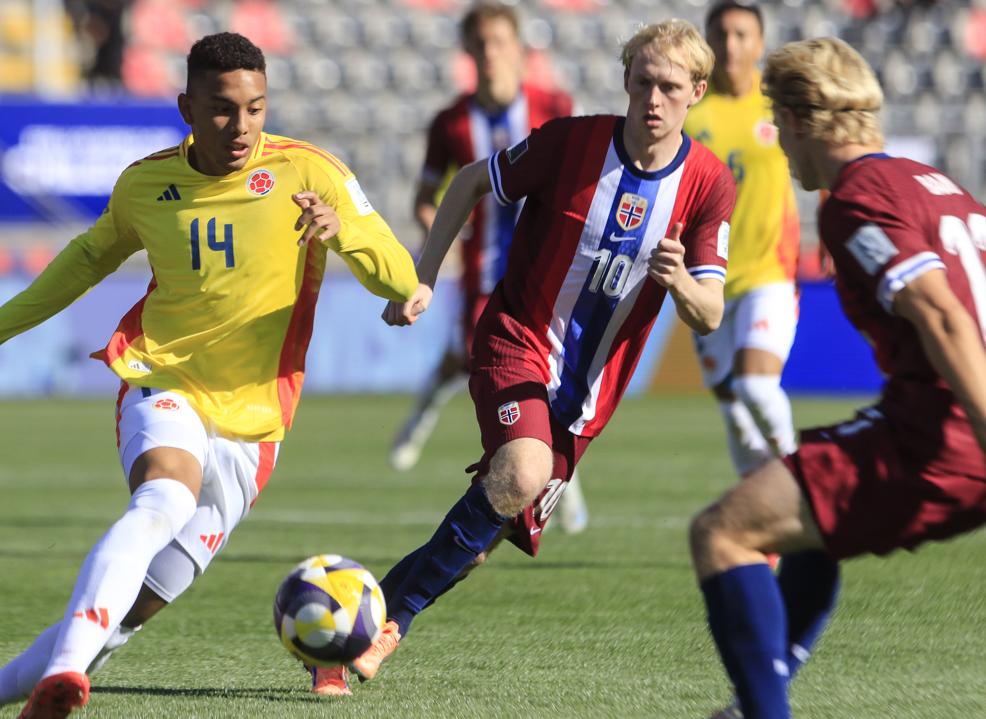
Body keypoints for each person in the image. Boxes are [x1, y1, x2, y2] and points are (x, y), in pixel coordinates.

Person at [0, 32, 417, 719]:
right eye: (223, 109)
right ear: (187, 107)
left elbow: (400, 279)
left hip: (255, 424)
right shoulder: (146, 185)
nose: (241, 126)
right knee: (162, 501)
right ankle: (70, 672)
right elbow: (78, 266)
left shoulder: (311, 173)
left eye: (255, 108)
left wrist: (339, 228)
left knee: (133, 609)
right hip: (161, 376)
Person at [354, 19, 736, 684]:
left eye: (669, 86)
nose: (652, 98)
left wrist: (681, 284)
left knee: (481, 534)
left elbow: (710, 313)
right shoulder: (573, 142)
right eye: (642, 81)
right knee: (522, 471)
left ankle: (365, 611)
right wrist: (423, 273)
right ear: (626, 79)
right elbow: (472, 179)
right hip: (514, 340)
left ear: (696, 91)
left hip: (585, 396)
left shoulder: (707, 185)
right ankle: (389, 624)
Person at [689, 38, 986, 719]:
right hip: (951, 423)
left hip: (945, 432)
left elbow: (939, 313)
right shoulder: (935, 185)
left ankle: (762, 709)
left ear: (795, 121)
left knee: (723, 531)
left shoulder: (857, 197)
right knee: (801, 509)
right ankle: (757, 698)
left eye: (776, 122)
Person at [391, 0, 590, 536]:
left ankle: (551, 483)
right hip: (482, 273)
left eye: (500, 43)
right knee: (473, 363)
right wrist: (438, 234)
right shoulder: (452, 123)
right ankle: (428, 422)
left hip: (547, 270)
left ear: (519, 51)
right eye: (480, 44)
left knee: (550, 377)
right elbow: (426, 197)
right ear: (468, 52)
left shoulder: (553, 106)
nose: (490, 55)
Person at [684, 0, 800, 479]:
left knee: (755, 388)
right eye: (721, 34)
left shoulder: (781, 105)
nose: (730, 45)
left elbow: (828, 159)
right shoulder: (689, 112)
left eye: (740, 34)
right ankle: (765, 528)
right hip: (705, 280)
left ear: (759, 42)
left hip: (769, 273)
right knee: (734, 410)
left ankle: (802, 480)